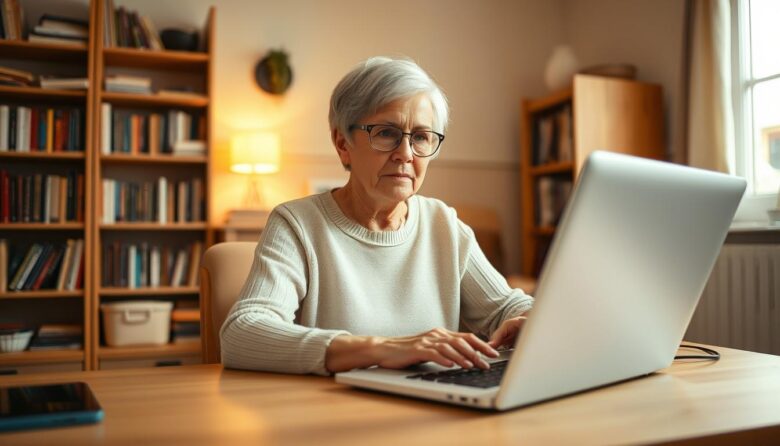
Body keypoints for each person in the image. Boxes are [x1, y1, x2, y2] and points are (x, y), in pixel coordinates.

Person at [220, 56, 533, 375]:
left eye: (422, 137)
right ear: (343, 143)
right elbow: (243, 333)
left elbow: (508, 307)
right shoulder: (297, 224)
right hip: (335, 413)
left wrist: (531, 321)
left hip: (438, 411)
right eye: (386, 133)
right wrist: (383, 348)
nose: (406, 154)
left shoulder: (444, 225)